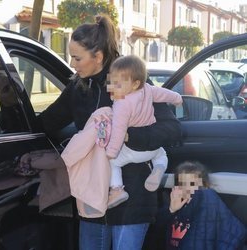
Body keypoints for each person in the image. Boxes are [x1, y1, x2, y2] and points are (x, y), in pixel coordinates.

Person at [38, 14, 182, 250]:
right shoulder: (78, 87)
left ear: (98, 56)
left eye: (76, 58)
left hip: (132, 199)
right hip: (92, 197)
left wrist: (129, 136)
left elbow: (172, 129)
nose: (72, 64)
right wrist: (9, 101)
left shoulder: (131, 83)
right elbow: (46, 123)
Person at [102, 55, 182, 209]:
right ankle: (159, 168)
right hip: (152, 149)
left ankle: (117, 190)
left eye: (117, 84)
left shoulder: (121, 104)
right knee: (162, 154)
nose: (112, 87)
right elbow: (164, 93)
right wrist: (177, 99)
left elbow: (119, 131)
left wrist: (111, 152)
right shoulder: (148, 90)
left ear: (135, 84)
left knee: (112, 163)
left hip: (134, 150)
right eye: (111, 82)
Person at [165, 161, 246, 250]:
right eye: (182, 184)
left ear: (204, 186)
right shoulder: (176, 206)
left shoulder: (207, 204)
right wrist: (171, 210)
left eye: (192, 184)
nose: (186, 188)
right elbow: (159, 231)